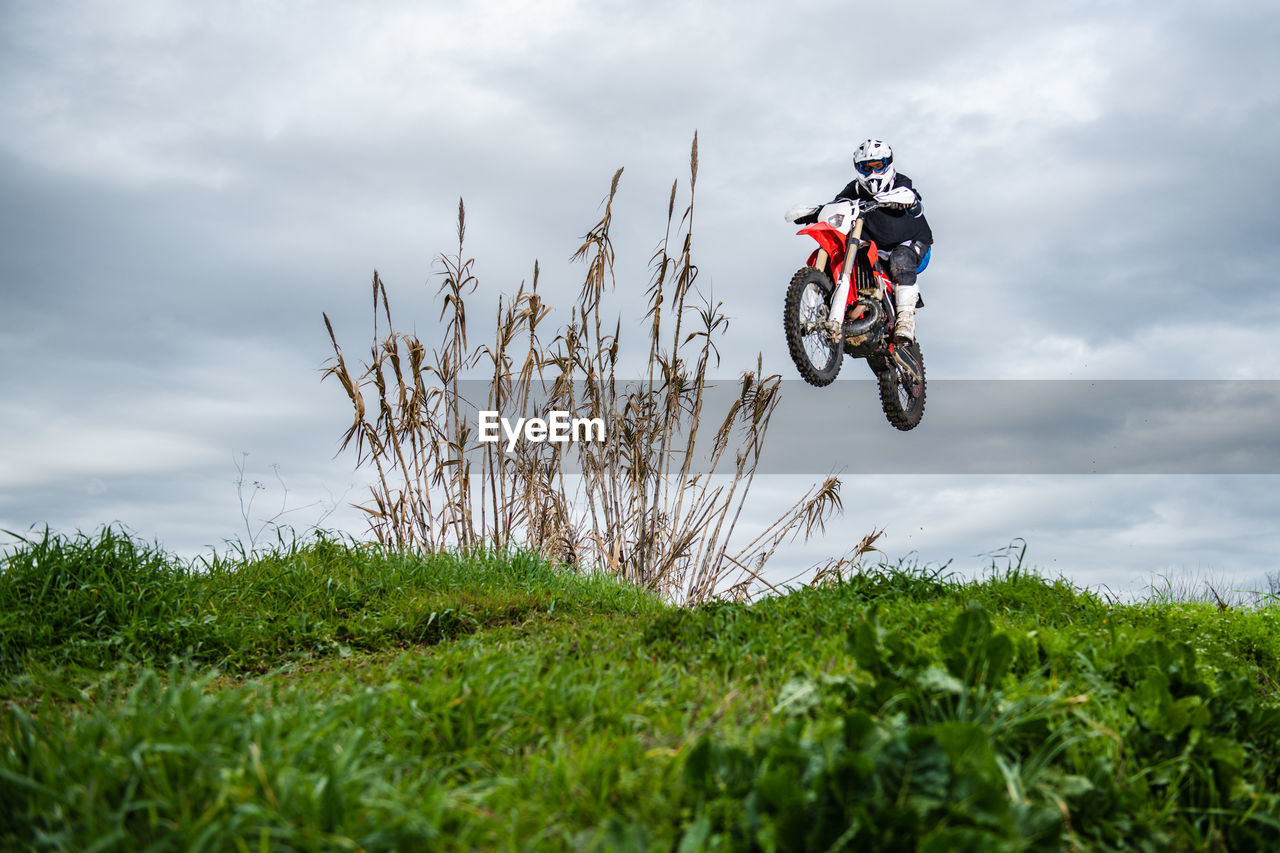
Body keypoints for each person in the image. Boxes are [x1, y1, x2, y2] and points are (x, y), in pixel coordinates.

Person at [800, 139, 934, 345]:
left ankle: (905, 321)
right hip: (875, 248)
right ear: (858, 168)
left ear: (887, 163)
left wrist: (908, 200)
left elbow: (913, 201)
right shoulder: (854, 189)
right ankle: (830, 311)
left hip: (913, 243)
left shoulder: (901, 182)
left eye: (877, 165)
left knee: (901, 258)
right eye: (866, 167)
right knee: (846, 255)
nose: (872, 172)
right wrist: (814, 212)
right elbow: (836, 205)